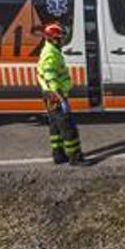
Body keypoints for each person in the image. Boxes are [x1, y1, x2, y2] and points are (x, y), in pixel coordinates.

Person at [37, 22, 86, 165]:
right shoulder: (50, 55)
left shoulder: (51, 51)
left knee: (55, 127)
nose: (62, 41)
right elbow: (51, 79)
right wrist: (61, 98)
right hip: (55, 95)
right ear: (52, 38)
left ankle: (58, 155)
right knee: (68, 127)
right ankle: (75, 158)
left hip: (50, 95)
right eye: (59, 38)